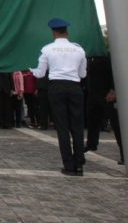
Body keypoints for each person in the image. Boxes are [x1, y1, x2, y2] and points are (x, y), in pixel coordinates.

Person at [31, 18, 87, 176]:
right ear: (67, 32)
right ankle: (79, 162)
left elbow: (40, 73)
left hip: (56, 87)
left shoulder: (47, 49)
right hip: (75, 86)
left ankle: (69, 164)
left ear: (53, 32)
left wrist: (32, 69)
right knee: (77, 125)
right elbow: (83, 74)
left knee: (62, 126)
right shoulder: (78, 49)